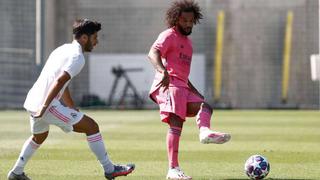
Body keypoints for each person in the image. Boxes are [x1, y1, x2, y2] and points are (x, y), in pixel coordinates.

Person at [7, 19, 135, 180]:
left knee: (39, 136)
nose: (97, 41)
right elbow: (59, 81)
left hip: (33, 99)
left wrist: (70, 106)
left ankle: (16, 172)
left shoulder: (62, 49)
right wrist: (46, 106)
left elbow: (62, 82)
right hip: (45, 103)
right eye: (94, 37)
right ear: (84, 38)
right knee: (92, 127)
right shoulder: (77, 57)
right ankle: (110, 169)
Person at [147, 1, 231, 179]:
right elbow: (152, 53)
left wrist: (195, 91)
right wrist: (162, 72)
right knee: (176, 121)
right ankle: (173, 169)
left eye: (190, 21)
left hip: (181, 85)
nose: (188, 24)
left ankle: (204, 132)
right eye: (184, 20)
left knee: (205, 106)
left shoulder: (189, 43)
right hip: (167, 85)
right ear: (177, 19)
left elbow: (183, 75)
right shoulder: (168, 35)